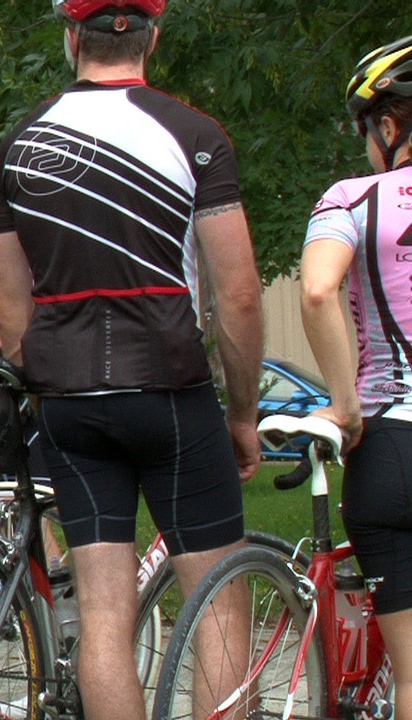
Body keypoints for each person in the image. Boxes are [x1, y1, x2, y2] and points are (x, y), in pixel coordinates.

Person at [0, 2, 263, 719]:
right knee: (218, 605)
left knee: (106, 617)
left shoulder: (18, 144)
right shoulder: (197, 135)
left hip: (70, 399)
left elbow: (11, 310)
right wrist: (242, 412)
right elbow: (235, 294)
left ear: (71, 38)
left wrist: (46, 383)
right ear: (154, 37)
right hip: (171, 386)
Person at [301, 34, 412, 706]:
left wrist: (346, 408)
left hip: (392, 445)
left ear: (390, 126)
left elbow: (316, 292)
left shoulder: (353, 197)